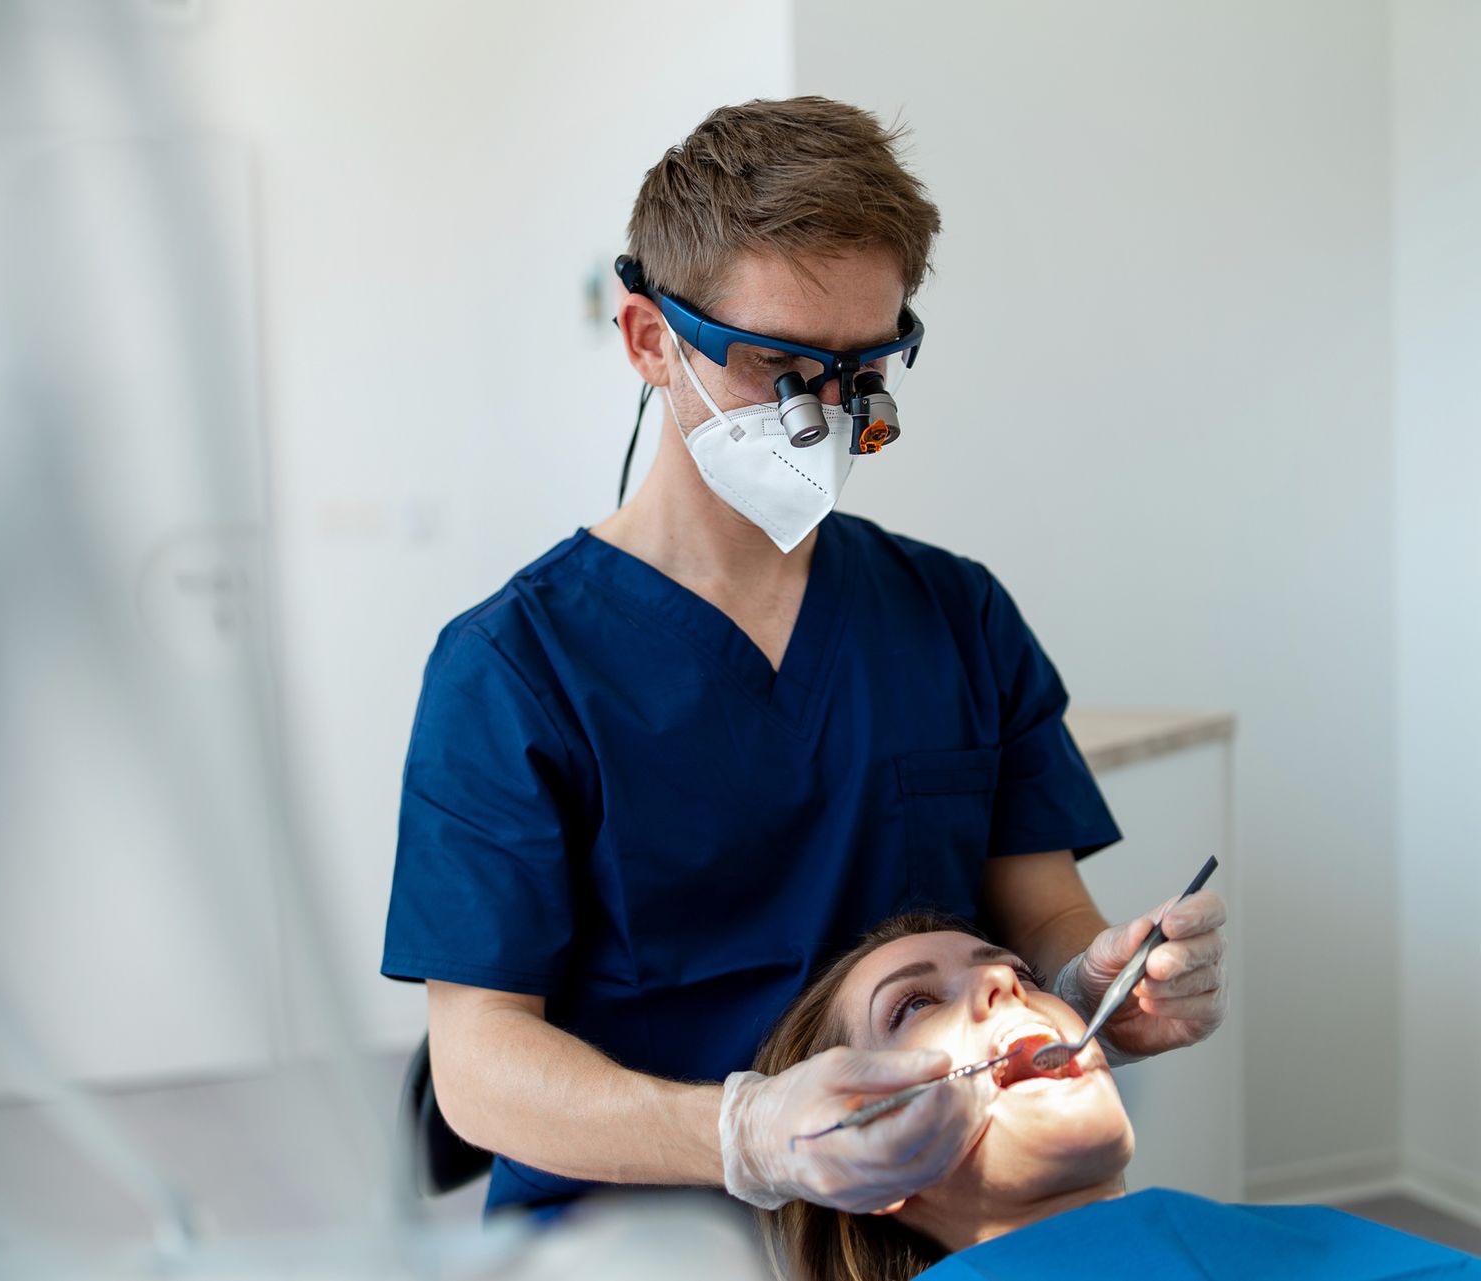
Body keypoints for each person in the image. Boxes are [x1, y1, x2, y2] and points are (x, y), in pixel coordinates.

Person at [380, 97, 1228, 1222]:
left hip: (923, 1212)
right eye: (783, 367)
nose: (826, 414)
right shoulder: (513, 669)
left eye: (865, 370)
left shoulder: (955, 615)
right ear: (651, 342)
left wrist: (1094, 984)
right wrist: (744, 1134)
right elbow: (480, 1069)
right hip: (640, 1230)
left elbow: (1046, 914)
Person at [748, 912, 1479, 1279]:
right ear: (861, 1153)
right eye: (911, 1006)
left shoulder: (1318, 1246)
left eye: (1022, 975)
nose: (1005, 983)